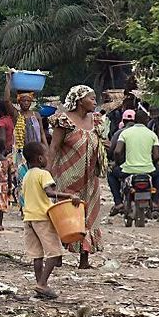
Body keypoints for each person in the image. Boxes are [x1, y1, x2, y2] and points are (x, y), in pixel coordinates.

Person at [49, 85, 105, 269]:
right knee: (66, 214)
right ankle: (57, 257)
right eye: (91, 98)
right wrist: (48, 175)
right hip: (67, 176)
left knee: (88, 215)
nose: (95, 102)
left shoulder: (96, 121)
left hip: (90, 178)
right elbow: (54, 148)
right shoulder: (64, 121)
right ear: (80, 101)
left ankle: (84, 259)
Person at [21, 142, 79, 299]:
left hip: (29, 219)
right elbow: (49, 192)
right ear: (40, 158)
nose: (48, 158)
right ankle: (42, 283)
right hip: (43, 218)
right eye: (47, 155)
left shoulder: (26, 176)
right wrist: (69, 196)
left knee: (37, 255)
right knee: (54, 253)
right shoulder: (43, 174)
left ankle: (40, 284)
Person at [114, 107, 159, 212]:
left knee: (111, 174)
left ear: (134, 120)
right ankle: (155, 201)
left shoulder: (125, 133)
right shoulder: (152, 134)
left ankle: (118, 202)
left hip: (128, 170)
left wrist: (118, 163)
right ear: (147, 121)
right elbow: (156, 156)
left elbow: (117, 151)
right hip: (148, 170)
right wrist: (151, 164)